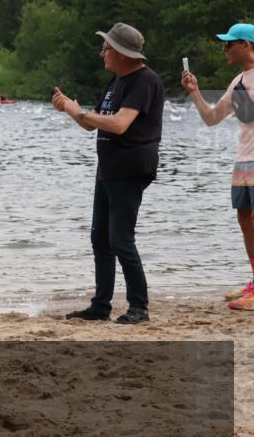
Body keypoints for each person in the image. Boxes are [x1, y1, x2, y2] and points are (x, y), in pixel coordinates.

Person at [53, 23, 164, 324]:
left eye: (106, 48)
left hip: (129, 169)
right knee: (100, 238)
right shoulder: (116, 82)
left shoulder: (144, 81)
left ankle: (139, 308)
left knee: (120, 239)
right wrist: (71, 110)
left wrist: (80, 112)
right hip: (108, 170)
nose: (102, 53)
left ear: (121, 53)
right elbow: (94, 124)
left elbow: (119, 124)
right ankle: (101, 305)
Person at [181, 22, 254, 312]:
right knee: (244, 218)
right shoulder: (238, 82)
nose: (224, 48)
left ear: (246, 45)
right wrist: (195, 91)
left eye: (229, 43)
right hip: (243, 161)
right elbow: (212, 118)